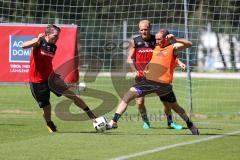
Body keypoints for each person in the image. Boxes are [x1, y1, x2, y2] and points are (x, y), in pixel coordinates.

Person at [107, 29, 199, 135]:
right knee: (127, 96)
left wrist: (175, 39)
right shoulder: (156, 47)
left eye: (159, 39)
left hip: (164, 85)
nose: (157, 41)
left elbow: (189, 44)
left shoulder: (173, 47)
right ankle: (114, 121)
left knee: (175, 107)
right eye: (156, 39)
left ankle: (189, 124)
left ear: (166, 38)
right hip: (149, 82)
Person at [21, 24, 97, 133]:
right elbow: (23, 45)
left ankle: (93, 116)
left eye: (58, 36)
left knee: (72, 95)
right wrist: (37, 40)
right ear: (47, 34)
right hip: (37, 82)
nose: (57, 38)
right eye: (55, 36)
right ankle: (49, 122)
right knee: (46, 107)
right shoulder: (39, 42)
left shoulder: (53, 47)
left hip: (51, 79)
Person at [128, 20, 183, 129]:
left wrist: (179, 62)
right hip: (141, 77)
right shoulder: (135, 41)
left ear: (150, 29)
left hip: (157, 77)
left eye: (146, 29)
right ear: (139, 30)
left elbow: (170, 52)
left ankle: (170, 122)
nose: (144, 31)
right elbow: (130, 58)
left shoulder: (157, 40)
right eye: (142, 30)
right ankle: (146, 122)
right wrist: (135, 70)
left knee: (166, 102)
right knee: (139, 102)